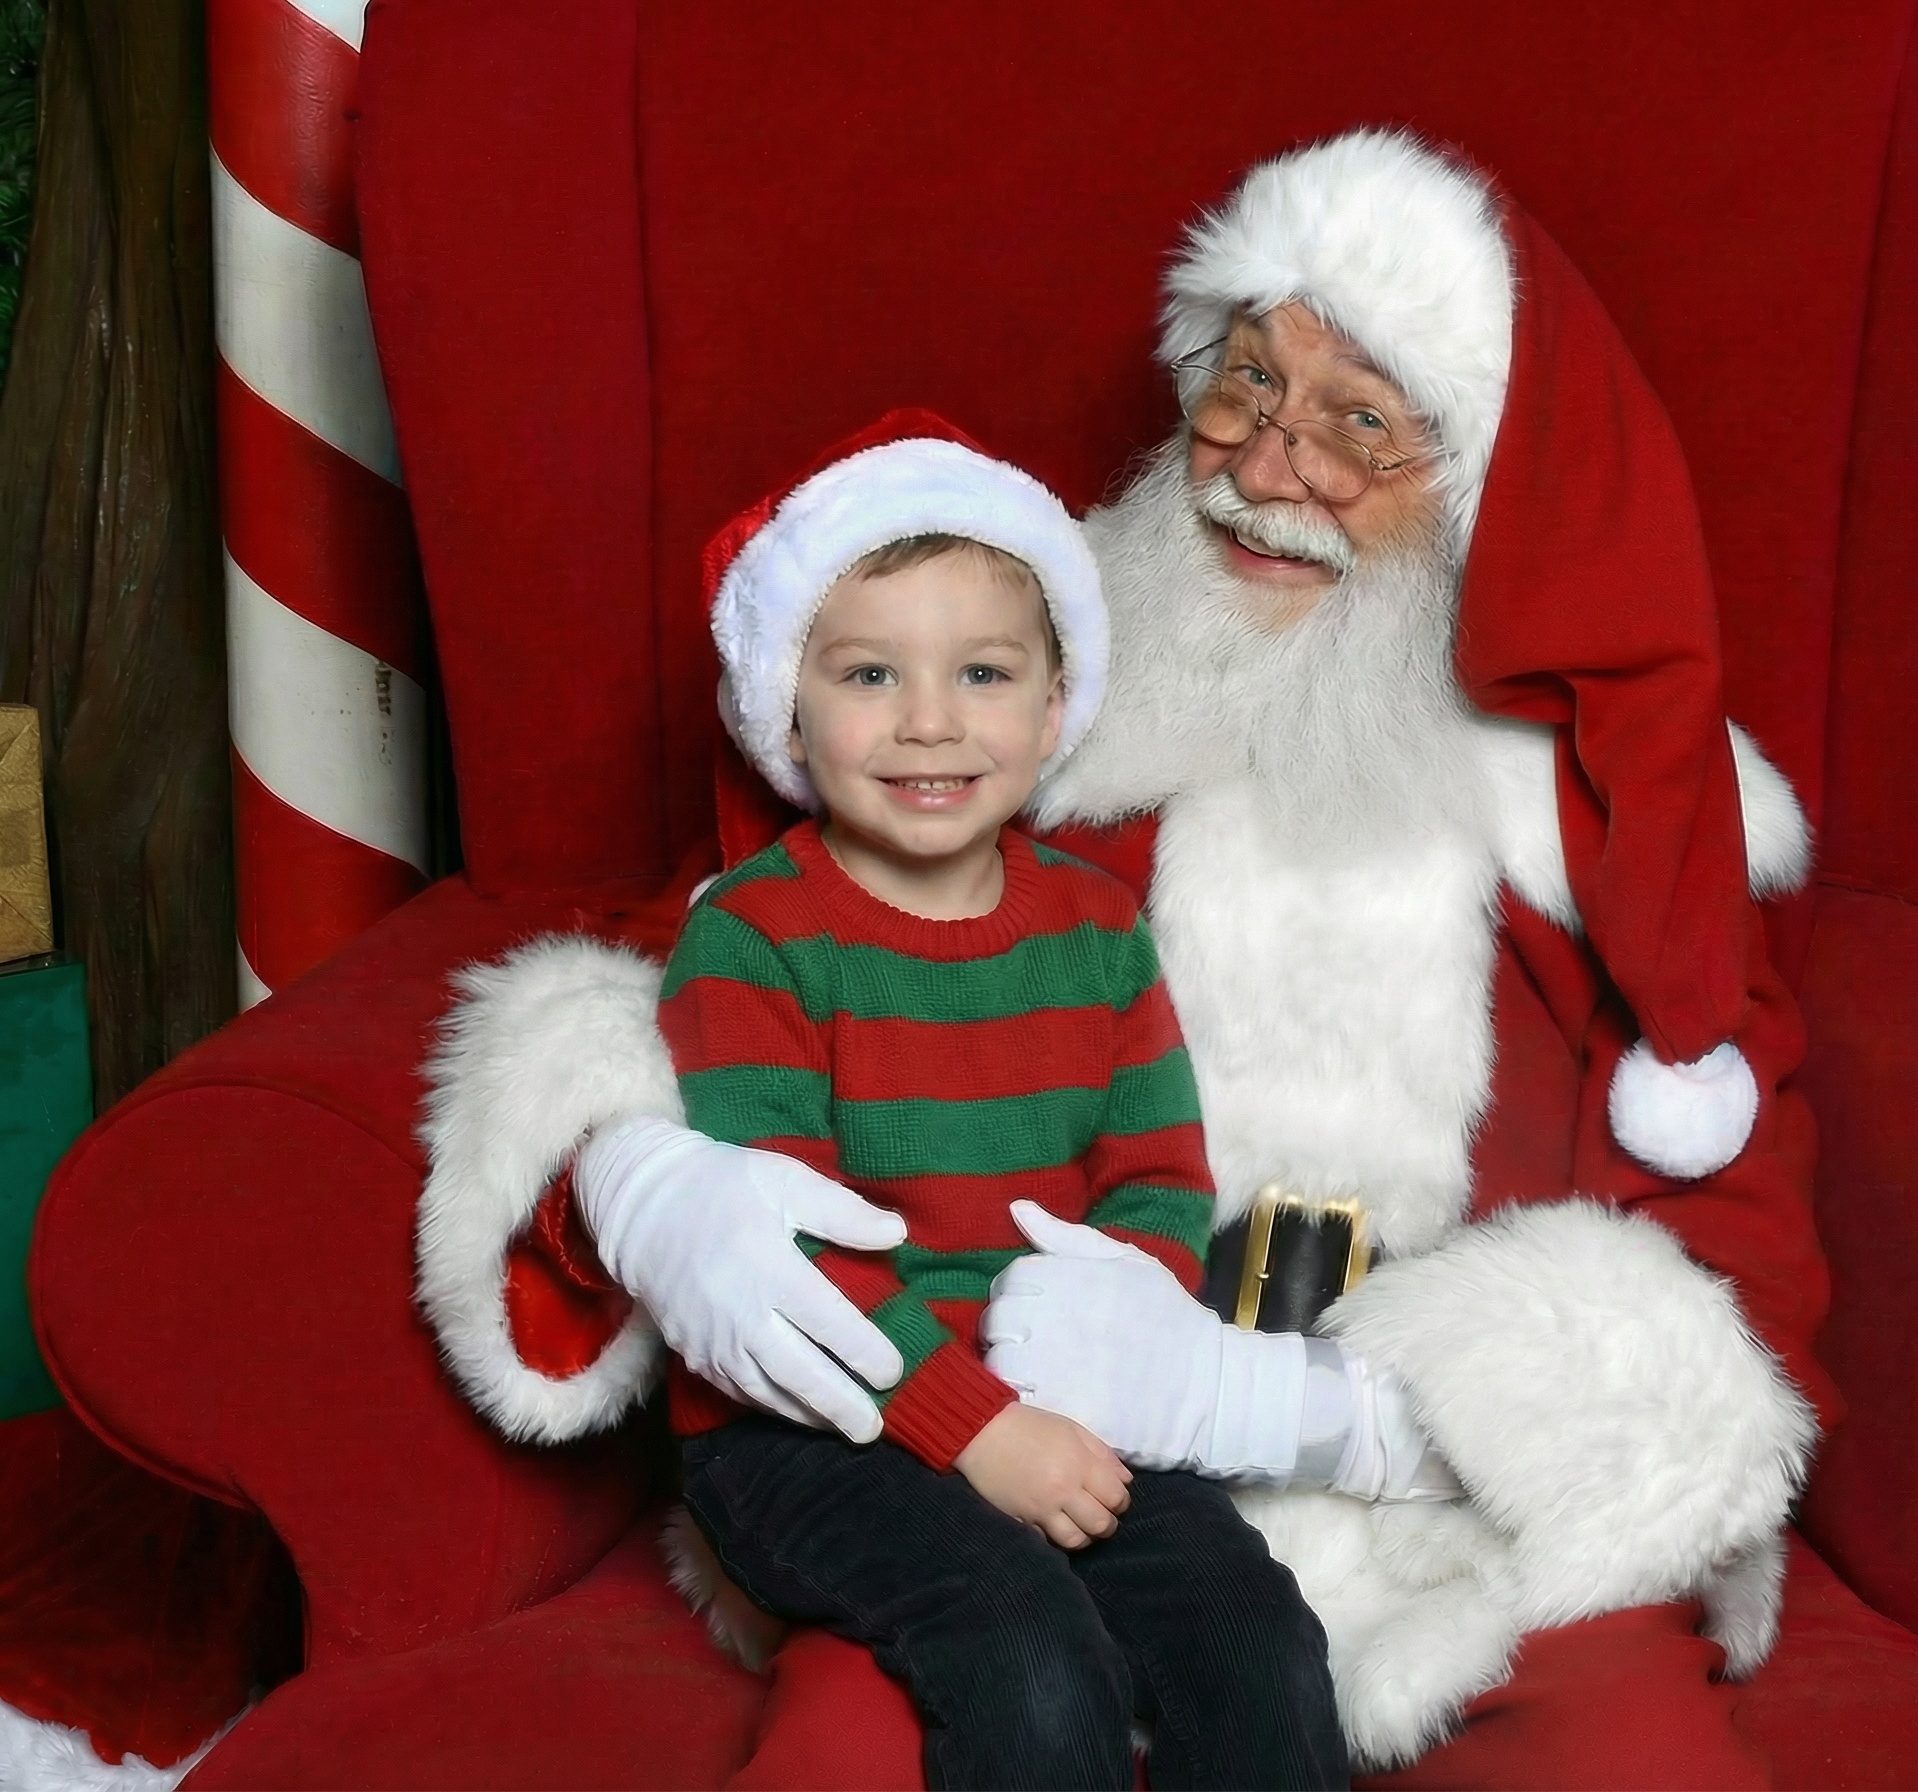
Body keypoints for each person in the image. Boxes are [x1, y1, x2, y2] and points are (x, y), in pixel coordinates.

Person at [419, 128, 1829, 1786]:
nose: (1269, 469)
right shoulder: (1017, 714)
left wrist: (1288, 1413)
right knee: (862, 1757)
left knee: (1635, 1769)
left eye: (1360, 426)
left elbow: (1731, 1307)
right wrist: (644, 1183)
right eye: (1244, 389)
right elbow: (717, 956)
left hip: (1452, 1539)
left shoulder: (1615, 841)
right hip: (981, 1444)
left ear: (1487, 485)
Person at [644, 412, 1346, 1790]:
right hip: (814, 1421)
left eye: (980, 673)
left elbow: (1154, 1173)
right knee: (1032, 1664)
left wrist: (1106, 1338)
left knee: (1256, 1641)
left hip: (1056, 1395)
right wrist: (982, 1432)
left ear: (1049, 703)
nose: (928, 723)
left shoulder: (1093, 928)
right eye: (867, 674)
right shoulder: (756, 937)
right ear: (790, 703)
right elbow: (788, 1256)